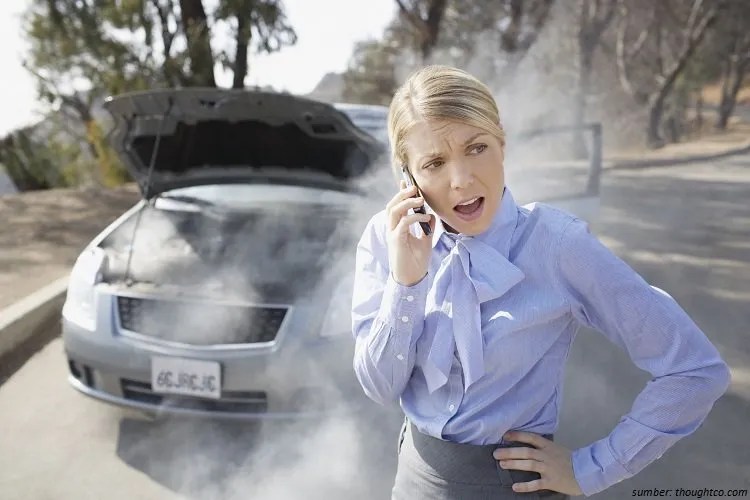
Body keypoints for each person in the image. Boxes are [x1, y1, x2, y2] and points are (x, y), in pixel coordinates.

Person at [350, 65, 731, 499]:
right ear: (409, 179)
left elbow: (695, 369)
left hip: (515, 488)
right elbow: (379, 386)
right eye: (434, 163)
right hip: (415, 482)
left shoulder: (557, 243)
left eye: (476, 148)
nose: (461, 180)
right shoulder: (386, 238)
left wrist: (594, 468)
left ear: (502, 145)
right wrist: (407, 283)